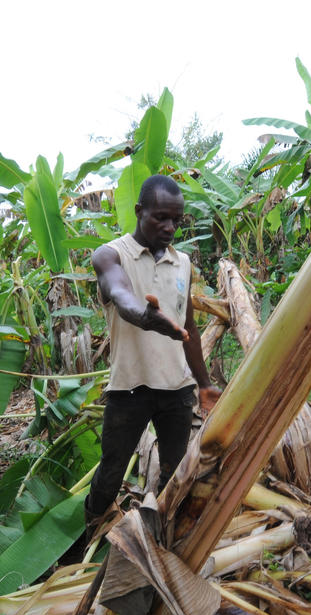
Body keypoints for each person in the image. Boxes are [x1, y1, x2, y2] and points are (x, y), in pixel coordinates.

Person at [86, 174, 221, 531]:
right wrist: (144, 317)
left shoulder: (184, 263)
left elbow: (188, 327)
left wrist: (204, 385)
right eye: (160, 217)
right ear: (138, 210)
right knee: (112, 472)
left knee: (175, 471)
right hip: (130, 388)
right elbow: (120, 294)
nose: (170, 227)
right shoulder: (111, 255)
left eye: (176, 219)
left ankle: (162, 535)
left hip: (176, 388)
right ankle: (92, 525)